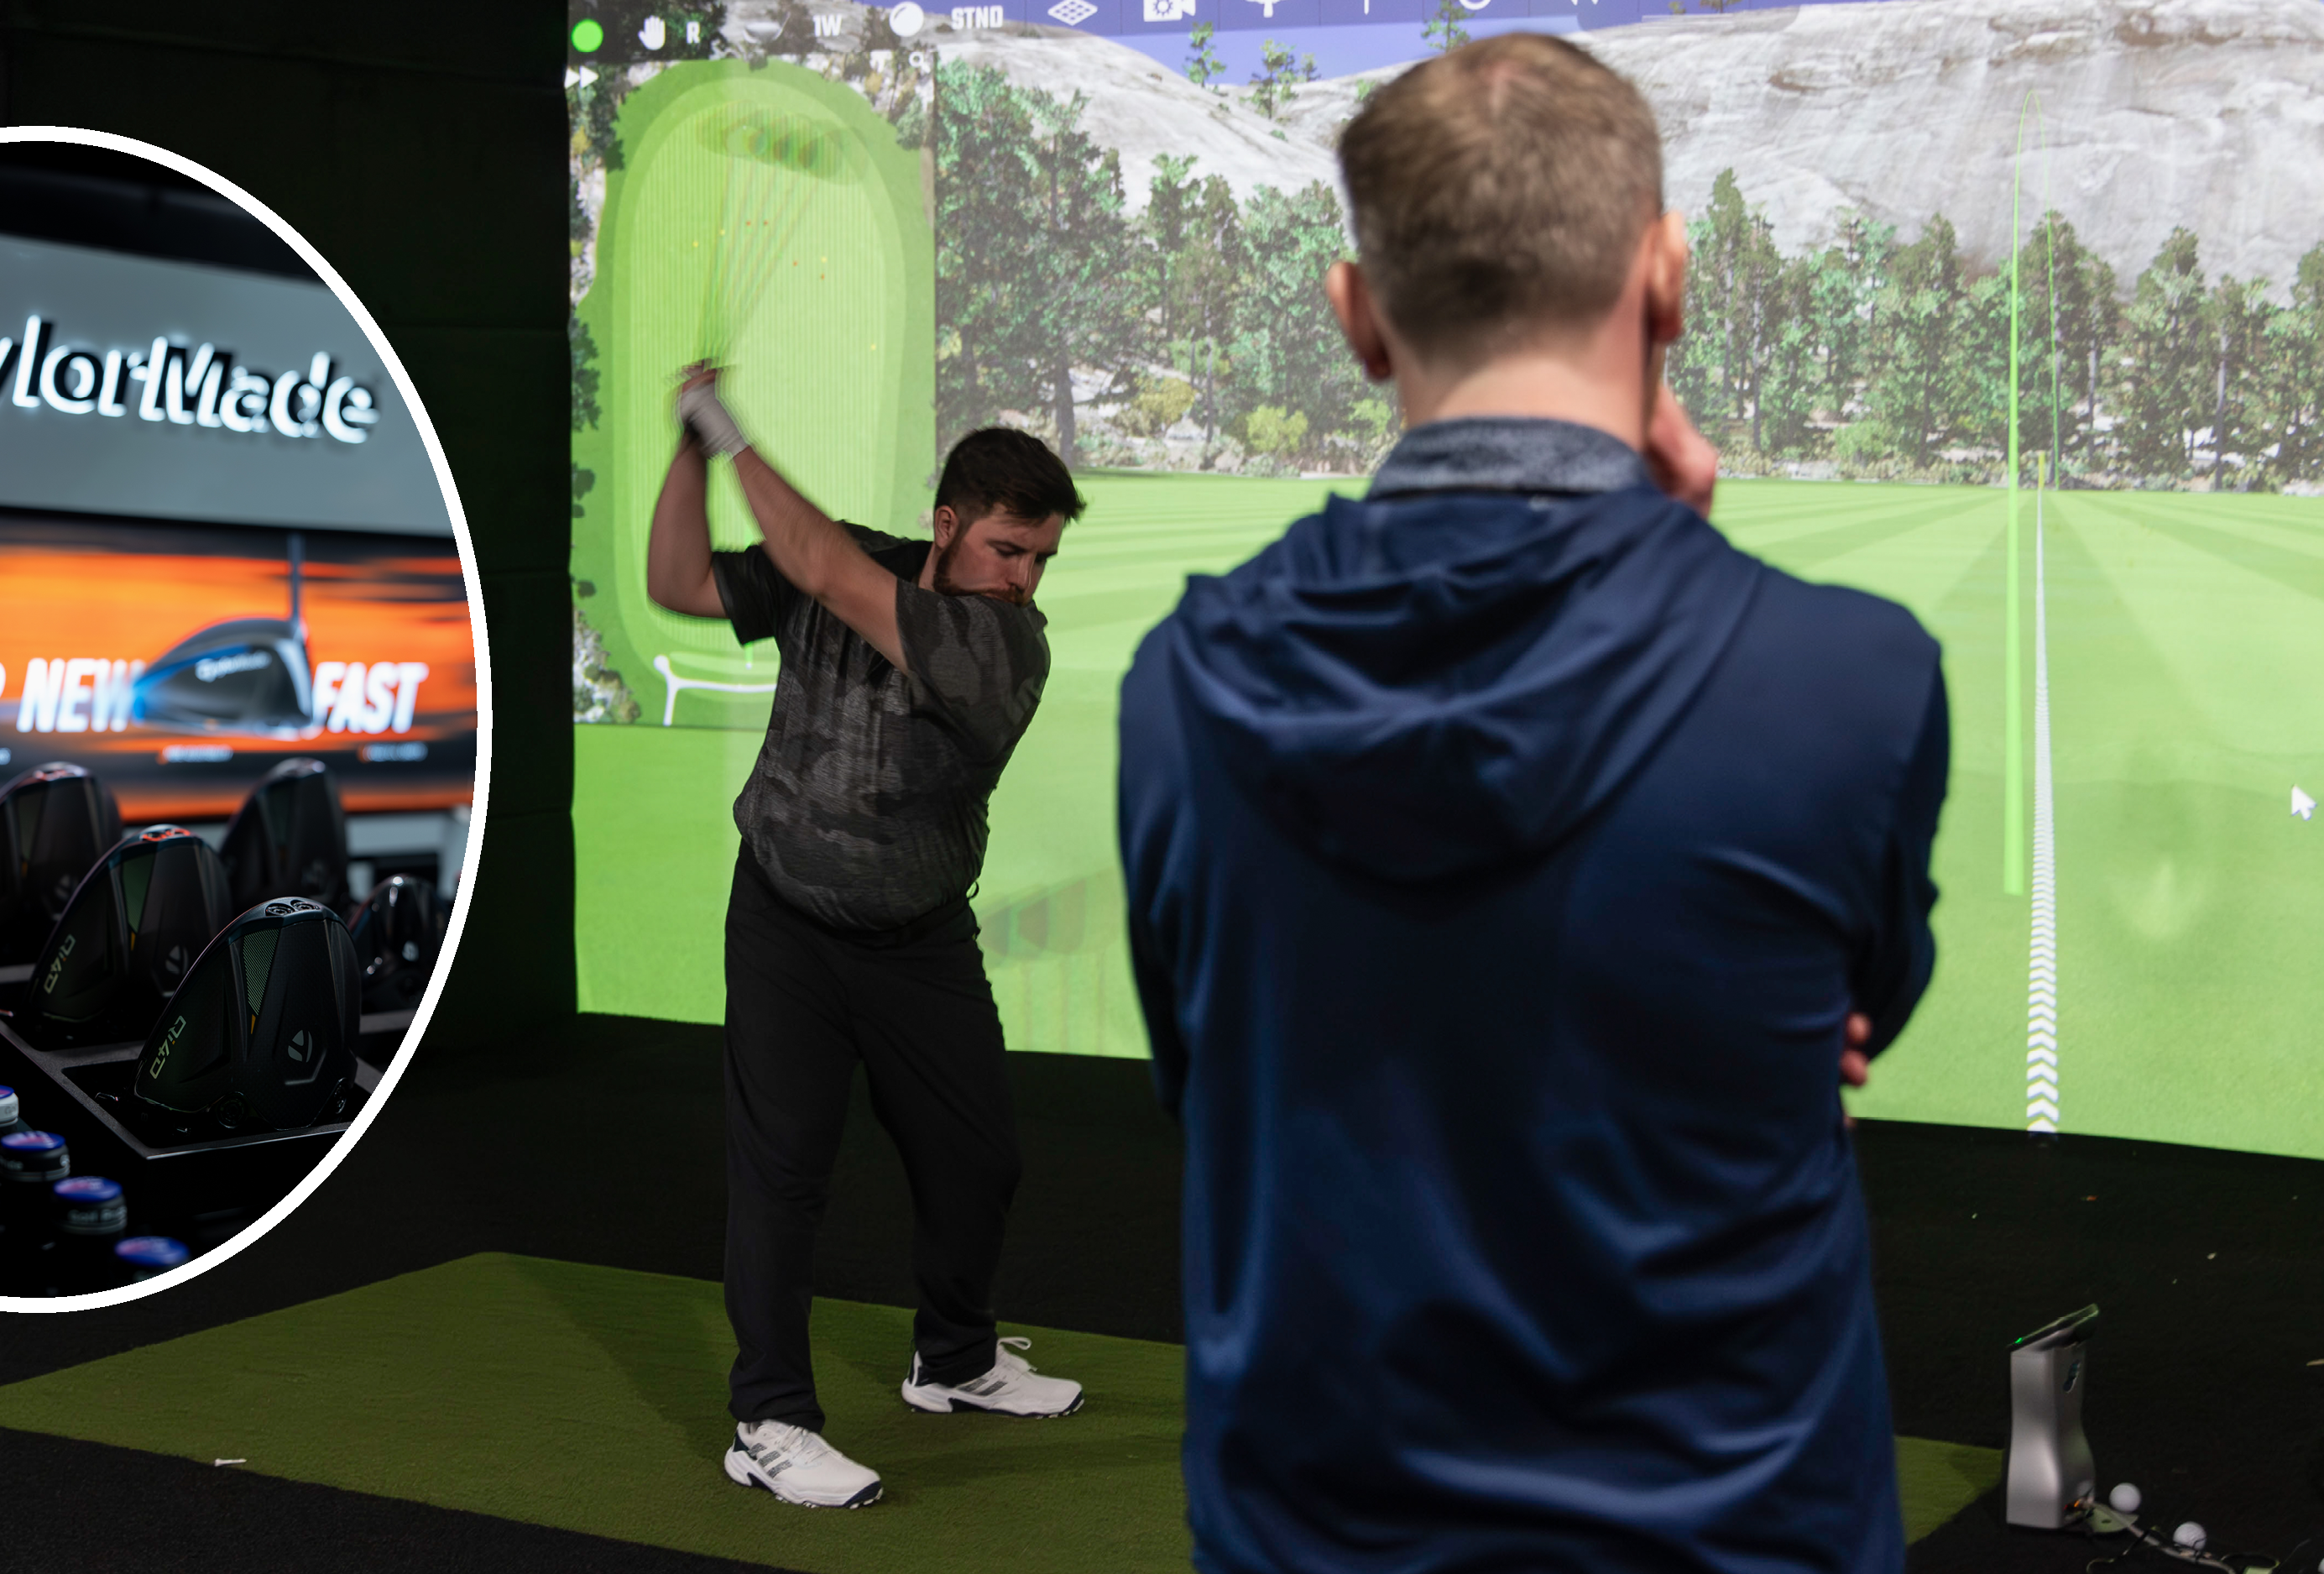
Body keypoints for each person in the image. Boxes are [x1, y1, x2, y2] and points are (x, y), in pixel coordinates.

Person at [1117, 33, 1945, 1573]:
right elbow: (1847, 1016)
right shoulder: (1849, 681)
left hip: (1320, 1534)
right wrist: (1671, 578)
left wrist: (1650, 584)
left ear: (1358, 319)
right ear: (1670, 280)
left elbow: (1216, 1065)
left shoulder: (1183, 688)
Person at [653, 366, 1089, 1511]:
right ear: (947, 524)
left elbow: (825, 571)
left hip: (919, 936)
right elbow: (678, 581)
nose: (1026, 577)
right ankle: (771, 1421)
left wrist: (727, 423)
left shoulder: (1005, 648)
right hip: (787, 918)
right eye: (1008, 548)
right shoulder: (847, 560)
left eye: (1042, 557)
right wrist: (691, 453)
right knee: (782, 1172)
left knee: (978, 1158)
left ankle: (954, 1358)